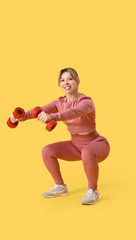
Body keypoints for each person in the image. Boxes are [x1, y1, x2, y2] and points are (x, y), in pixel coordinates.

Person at [10, 68, 110, 205]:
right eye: (62, 80)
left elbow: (73, 112)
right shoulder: (59, 102)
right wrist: (19, 117)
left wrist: (53, 117)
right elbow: (39, 110)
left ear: (77, 81)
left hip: (96, 144)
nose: (66, 83)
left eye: (70, 79)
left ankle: (93, 190)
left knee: (87, 151)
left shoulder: (86, 102)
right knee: (47, 150)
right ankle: (60, 187)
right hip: (75, 146)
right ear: (59, 84)